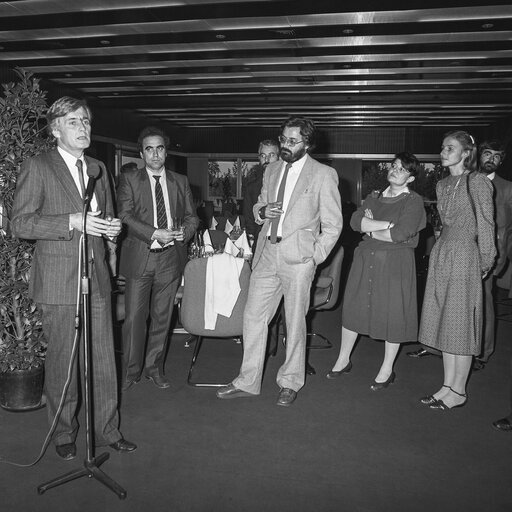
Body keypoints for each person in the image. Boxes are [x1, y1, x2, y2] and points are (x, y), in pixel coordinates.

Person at [11, 96, 136, 460]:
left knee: (102, 360)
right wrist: (70, 221)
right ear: (55, 129)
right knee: (64, 361)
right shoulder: (39, 166)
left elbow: (108, 217)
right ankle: (63, 432)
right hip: (58, 279)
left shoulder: (97, 168)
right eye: (73, 122)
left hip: (95, 277)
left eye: (86, 121)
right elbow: (20, 224)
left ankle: (109, 431)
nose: (83, 128)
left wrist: (113, 229)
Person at [216, 116, 342, 406]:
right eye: (283, 139)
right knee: (253, 317)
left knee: (295, 321)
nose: (285, 145)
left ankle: (290, 381)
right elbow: (259, 203)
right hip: (267, 254)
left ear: (307, 144)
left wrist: (314, 257)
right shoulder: (272, 169)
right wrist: (262, 212)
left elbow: (334, 225)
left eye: (292, 141)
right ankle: (248, 380)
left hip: (299, 260)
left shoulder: (323, 174)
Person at [327, 153, 426, 389]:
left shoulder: (413, 201)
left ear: (410, 178)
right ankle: (343, 359)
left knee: (393, 312)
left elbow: (401, 234)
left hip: (395, 265)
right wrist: (385, 226)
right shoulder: (374, 197)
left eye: (401, 169)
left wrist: (370, 229)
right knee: (354, 307)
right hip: (365, 259)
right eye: (393, 166)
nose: (395, 170)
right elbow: (354, 222)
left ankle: (387, 368)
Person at [418, 130, 496, 410]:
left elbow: (487, 224)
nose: (443, 151)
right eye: (442, 147)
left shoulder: (477, 182)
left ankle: (459, 391)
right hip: (444, 252)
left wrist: (486, 260)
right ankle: (446, 386)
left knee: (461, 325)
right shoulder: (442, 184)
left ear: (466, 153)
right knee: (445, 322)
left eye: (450, 147)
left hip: (465, 254)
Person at [117, 126, 199, 391]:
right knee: (134, 319)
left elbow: (192, 217)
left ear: (166, 151)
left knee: (162, 319)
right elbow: (125, 216)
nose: (155, 153)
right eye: (149, 148)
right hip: (141, 256)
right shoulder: (130, 179)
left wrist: (183, 232)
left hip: (169, 259)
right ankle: (131, 371)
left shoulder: (180, 181)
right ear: (142, 153)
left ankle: (154, 368)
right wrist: (154, 233)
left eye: (159, 148)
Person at [474, 140, 512, 370]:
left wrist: (499, 260)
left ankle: (482, 353)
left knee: (484, 302)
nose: (492, 159)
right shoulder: (467, 181)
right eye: (488, 154)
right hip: (462, 250)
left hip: (489, 254)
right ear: (479, 156)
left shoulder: (507, 188)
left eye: (497, 156)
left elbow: (507, 230)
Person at [242, 139, 280, 254]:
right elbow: (248, 218)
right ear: (259, 158)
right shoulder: (252, 186)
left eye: (271, 155)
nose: (267, 160)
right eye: (263, 156)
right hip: (261, 245)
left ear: (279, 157)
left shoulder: (288, 181)